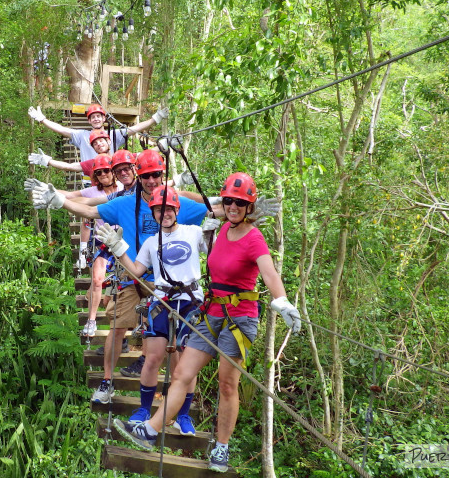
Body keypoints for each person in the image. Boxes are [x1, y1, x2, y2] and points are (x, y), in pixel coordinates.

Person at [113, 172, 301, 473]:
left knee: (228, 384)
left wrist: (281, 300)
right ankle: (150, 430)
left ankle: (222, 447)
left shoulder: (254, 237)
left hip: (240, 318)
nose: (233, 207)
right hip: (211, 312)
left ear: (249, 207)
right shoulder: (219, 231)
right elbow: (200, 208)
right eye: (229, 201)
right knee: (182, 373)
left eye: (240, 203)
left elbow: (269, 273)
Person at [31, 150, 208, 405]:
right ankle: (107, 381)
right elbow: (91, 212)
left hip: (166, 279)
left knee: (173, 337)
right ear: (140, 174)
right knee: (117, 327)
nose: (151, 180)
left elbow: (213, 209)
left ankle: (175, 394)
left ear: (162, 176)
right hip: (132, 270)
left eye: (156, 175)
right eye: (146, 175)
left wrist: (249, 209)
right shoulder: (124, 202)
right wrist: (60, 202)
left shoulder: (175, 202)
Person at [96, 186, 207, 436]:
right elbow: (136, 270)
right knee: (153, 359)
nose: (164, 213)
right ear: (154, 212)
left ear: (176, 210)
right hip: (163, 300)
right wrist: (118, 247)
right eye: (159, 209)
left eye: (168, 209)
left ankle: (184, 415)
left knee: (185, 365)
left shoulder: (194, 232)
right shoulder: (150, 242)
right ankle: (144, 409)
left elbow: (216, 245)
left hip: (190, 302)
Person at [27, 103, 167, 161]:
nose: (95, 119)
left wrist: (155, 119)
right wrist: (43, 120)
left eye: (98, 116)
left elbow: (134, 129)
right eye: (92, 117)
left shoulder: (113, 134)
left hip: (111, 177)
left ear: (103, 118)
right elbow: (62, 130)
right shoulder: (82, 135)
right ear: (89, 121)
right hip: (90, 178)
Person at [78, 154, 121, 337]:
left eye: (107, 171)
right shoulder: (92, 192)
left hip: (122, 240)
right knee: (97, 280)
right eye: (99, 172)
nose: (103, 174)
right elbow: (72, 199)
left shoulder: (124, 188)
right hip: (102, 240)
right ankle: (92, 320)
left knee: (121, 285)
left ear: (113, 172)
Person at [27, 129, 113, 177]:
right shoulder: (92, 163)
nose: (98, 144)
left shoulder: (119, 159)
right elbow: (69, 166)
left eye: (101, 141)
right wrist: (48, 161)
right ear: (94, 148)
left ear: (108, 141)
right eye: (95, 143)